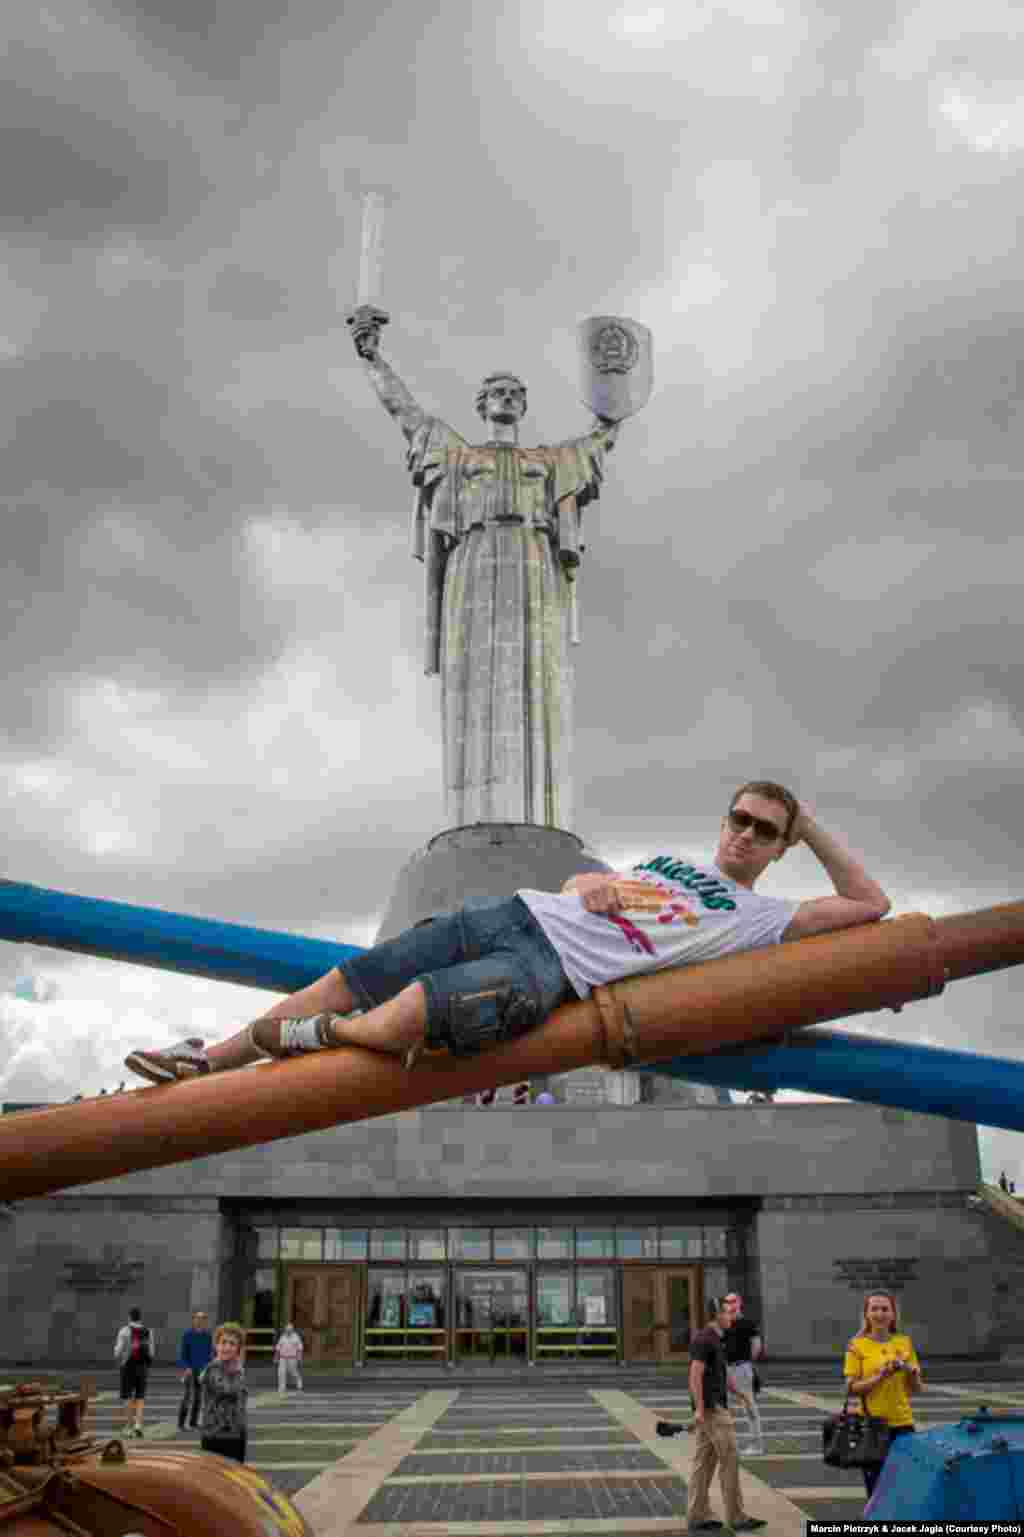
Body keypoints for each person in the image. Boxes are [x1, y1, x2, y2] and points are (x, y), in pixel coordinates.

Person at [124, 784, 890, 1086]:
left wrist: (811, 820)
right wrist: (583, 882)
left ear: (781, 844)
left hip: (548, 972)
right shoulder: (668, 861)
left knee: (415, 1014)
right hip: (513, 912)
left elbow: (869, 902)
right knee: (355, 974)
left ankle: (319, 1034)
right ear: (722, 819)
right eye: (740, 818)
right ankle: (209, 1056)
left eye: (766, 830)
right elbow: (579, 890)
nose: (746, 835)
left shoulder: (762, 918)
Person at [685, 1296, 766, 1533]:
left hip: (714, 1408)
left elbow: (720, 1372)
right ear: (718, 1316)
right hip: (713, 1411)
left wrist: (737, 1392)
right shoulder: (705, 1339)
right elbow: (695, 1376)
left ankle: (697, 1515)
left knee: (704, 1463)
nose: (732, 1317)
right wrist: (699, 1409)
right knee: (729, 1461)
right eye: (729, 1313)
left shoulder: (717, 1339)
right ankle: (737, 1517)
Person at [843, 1291, 922, 1502]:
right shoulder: (856, 1345)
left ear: (893, 1315)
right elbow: (851, 1388)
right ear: (866, 1314)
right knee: (876, 1488)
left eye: (885, 1309)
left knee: (906, 1484)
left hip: (903, 1423)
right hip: (872, 1425)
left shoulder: (904, 1343)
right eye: (874, 1309)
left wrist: (911, 1373)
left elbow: (916, 1389)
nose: (880, 1313)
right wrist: (880, 1376)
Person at [198, 1321, 248, 1464]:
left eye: (232, 1344)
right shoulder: (213, 1369)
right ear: (216, 1345)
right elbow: (228, 1390)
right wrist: (237, 1368)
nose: (227, 1347)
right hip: (215, 1435)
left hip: (236, 1434)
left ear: (238, 1348)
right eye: (223, 1342)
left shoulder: (236, 1368)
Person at [724, 1293, 764, 1455]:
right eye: (727, 1302)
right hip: (726, 1369)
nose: (730, 1305)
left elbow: (756, 1345)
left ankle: (757, 1444)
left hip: (742, 1368)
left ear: (739, 1303)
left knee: (749, 1406)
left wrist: (747, 1363)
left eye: (733, 1301)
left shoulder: (748, 1323)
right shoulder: (724, 1323)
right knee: (725, 1408)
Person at [113, 1305, 155, 1438]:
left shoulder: (124, 1331)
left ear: (129, 1317)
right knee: (140, 1397)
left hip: (128, 1367)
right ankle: (138, 1425)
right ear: (140, 1317)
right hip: (142, 1367)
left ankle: (129, 1426)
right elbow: (152, 1353)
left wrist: (120, 1354)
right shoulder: (148, 1331)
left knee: (127, 1396)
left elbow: (117, 1352)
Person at [177, 1309, 213, 1431]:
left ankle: (193, 1422)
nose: (200, 1321)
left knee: (198, 1397)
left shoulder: (207, 1336)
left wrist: (207, 1369)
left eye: (203, 1319)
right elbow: (182, 1355)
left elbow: (209, 1355)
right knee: (187, 1397)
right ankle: (181, 1423)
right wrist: (186, 1368)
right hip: (189, 1371)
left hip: (202, 1371)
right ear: (193, 1320)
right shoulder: (187, 1335)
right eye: (198, 1318)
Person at [273, 1322, 304, 1394]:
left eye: (289, 1330)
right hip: (283, 1358)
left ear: (292, 1330)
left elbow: (300, 1348)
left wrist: (299, 1357)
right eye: (287, 1330)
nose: (288, 1332)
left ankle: (299, 1385)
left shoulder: (296, 1337)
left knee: (293, 1372)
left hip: (292, 1358)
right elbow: (278, 1347)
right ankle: (281, 1388)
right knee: (281, 1373)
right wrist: (276, 1357)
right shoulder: (283, 1337)